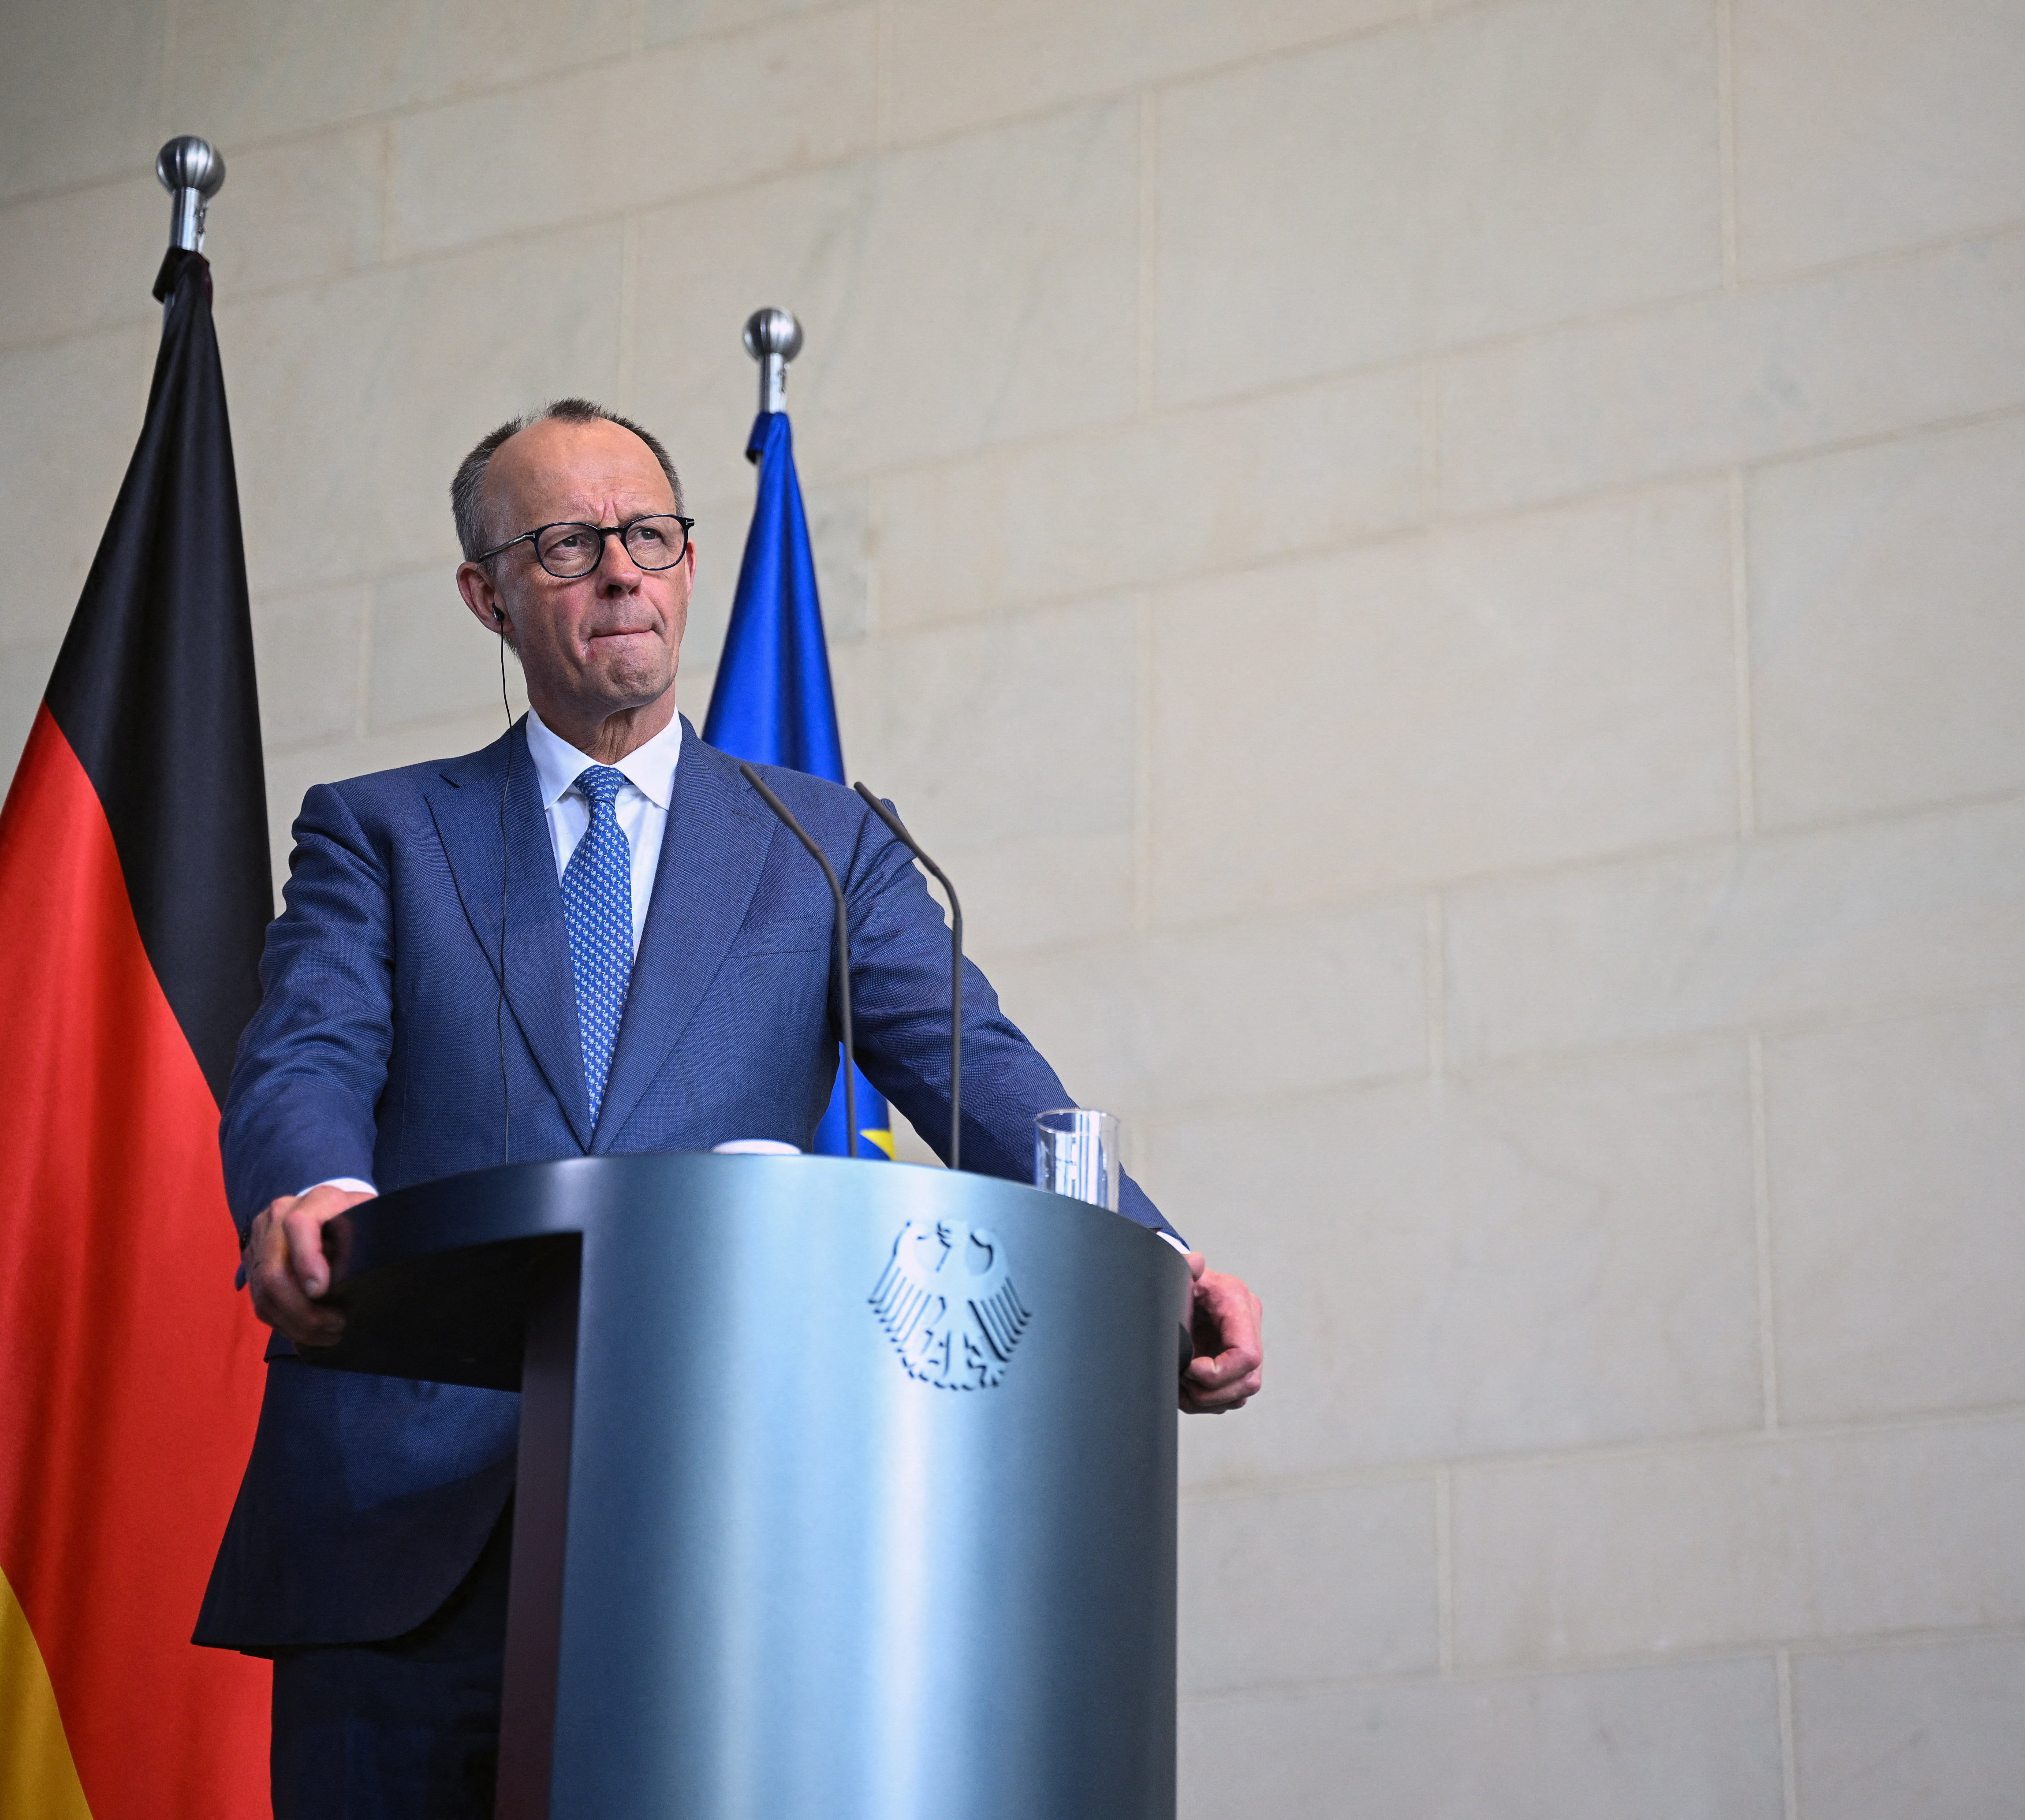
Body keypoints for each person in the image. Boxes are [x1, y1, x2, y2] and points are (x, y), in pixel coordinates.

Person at [196, 399, 1264, 1817]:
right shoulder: (381, 830)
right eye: (566, 545)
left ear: (691, 566)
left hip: (716, 1537)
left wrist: (1160, 1266)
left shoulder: (826, 847)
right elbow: (306, 1055)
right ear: (487, 596)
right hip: (402, 1528)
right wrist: (318, 1193)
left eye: (649, 535)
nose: (620, 572)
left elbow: (979, 1074)